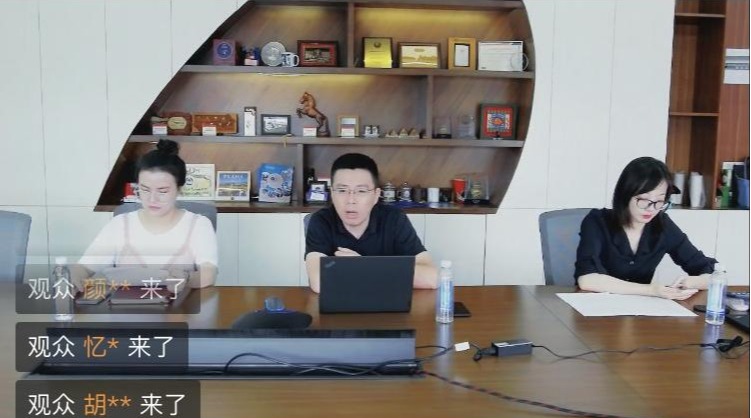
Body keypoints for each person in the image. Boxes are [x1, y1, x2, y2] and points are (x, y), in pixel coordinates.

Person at [75, 139, 218, 290]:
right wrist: (74, 277)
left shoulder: (198, 224)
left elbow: (209, 273)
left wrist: (187, 279)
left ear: (179, 189)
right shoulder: (120, 224)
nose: (152, 199)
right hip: (124, 304)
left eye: (162, 191)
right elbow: (84, 267)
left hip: (179, 304)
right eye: (145, 189)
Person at [575, 156, 717, 300]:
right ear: (625, 195)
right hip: (595, 307)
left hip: (640, 309)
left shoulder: (663, 224)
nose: (651, 208)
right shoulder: (597, 221)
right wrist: (652, 290)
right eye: (643, 200)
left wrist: (691, 282)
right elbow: (587, 279)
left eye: (659, 201)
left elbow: (712, 271)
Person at [305, 153, 437, 293]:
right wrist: (387, 274)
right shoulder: (321, 221)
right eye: (342, 190)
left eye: (361, 191)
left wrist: (363, 266)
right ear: (332, 193)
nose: (351, 200)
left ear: (376, 195)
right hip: (340, 303)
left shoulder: (394, 219)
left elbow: (431, 278)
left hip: (387, 302)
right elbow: (319, 282)